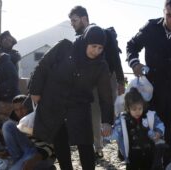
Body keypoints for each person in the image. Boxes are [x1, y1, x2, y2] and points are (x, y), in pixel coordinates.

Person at [29, 25, 114, 170]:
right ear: (86, 41)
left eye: (100, 48)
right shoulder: (64, 48)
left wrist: (107, 121)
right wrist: (35, 91)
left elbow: (105, 95)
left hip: (80, 105)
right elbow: (42, 66)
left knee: (86, 143)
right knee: (60, 143)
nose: (96, 51)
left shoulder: (101, 65)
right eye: (94, 46)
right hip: (55, 102)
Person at [126, 0, 171, 166]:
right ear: (163, 11)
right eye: (169, 15)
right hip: (151, 97)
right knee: (147, 141)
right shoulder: (150, 28)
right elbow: (131, 46)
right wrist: (134, 62)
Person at [68, 5, 125, 158]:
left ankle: (123, 148)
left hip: (108, 78)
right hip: (90, 82)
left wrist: (120, 81)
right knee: (93, 114)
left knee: (113, 113)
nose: (72, 23)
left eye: (74, 20)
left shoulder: (105, 34)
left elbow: (115, 57)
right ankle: (98, 148)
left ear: (84, 19)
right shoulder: (78, 40)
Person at [109, 87, 165, 169]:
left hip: (149, 153)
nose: (137, 112)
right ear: (128, 108)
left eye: (140, 108)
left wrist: (158, 132)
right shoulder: (123, 121)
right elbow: (116, 133)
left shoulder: (150, 116)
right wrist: (107, 134)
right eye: (134, 109)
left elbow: (159, 124)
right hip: (132, 154)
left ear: (143, 106)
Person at [1, 95, 55, 170]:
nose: (20, 112)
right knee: (7, 125)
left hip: (41, 156)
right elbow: (21, 143)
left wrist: (33, 160)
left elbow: (52, 146)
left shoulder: (40, 119)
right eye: (16, 110)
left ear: (29, 106)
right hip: (27, 153)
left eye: (22, 108)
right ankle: (18, 161)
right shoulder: (21, 123)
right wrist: (5, 152)